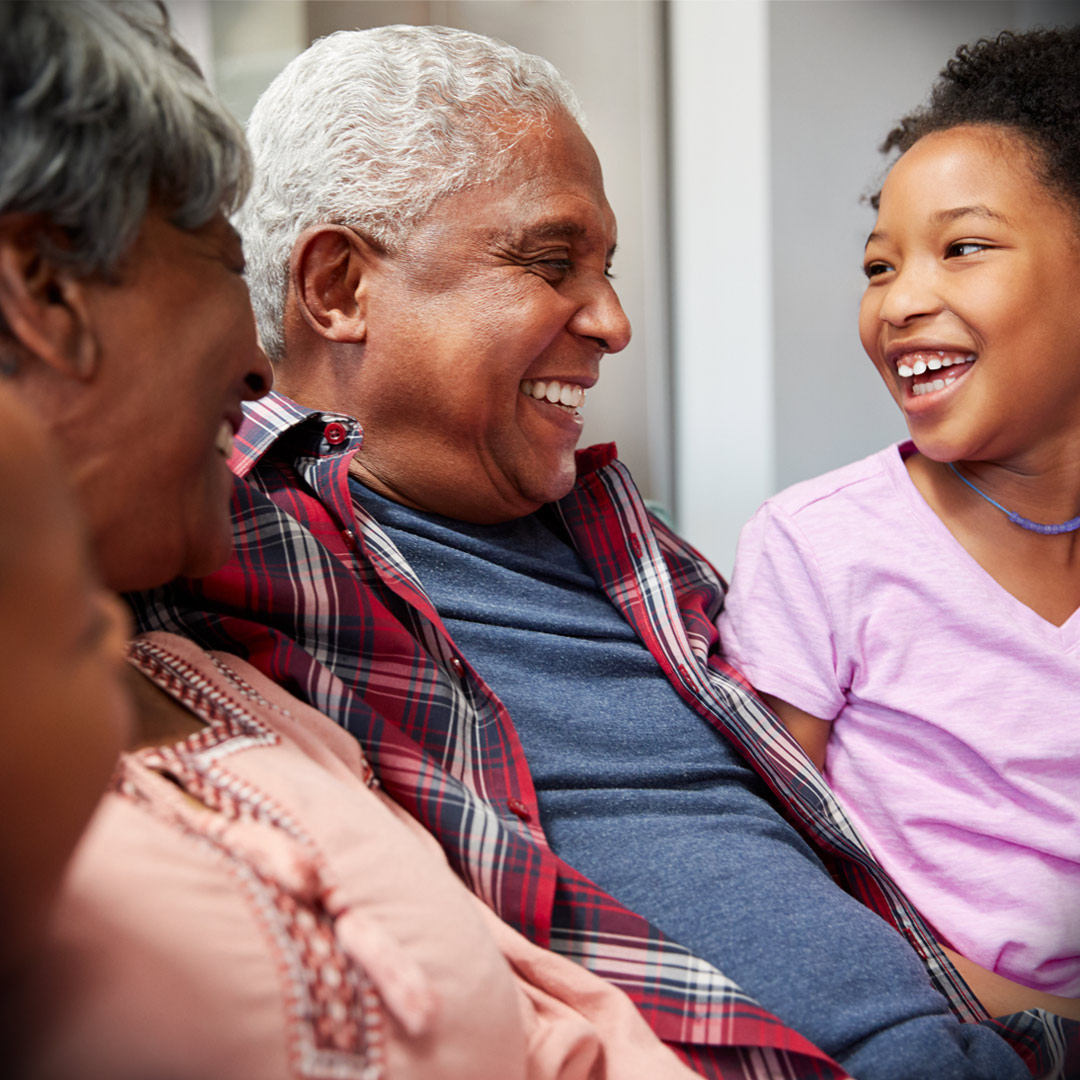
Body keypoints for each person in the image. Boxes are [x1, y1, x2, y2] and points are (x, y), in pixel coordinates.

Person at [136, 24, 1074, 1079]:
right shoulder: (225, 528)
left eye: (606, 268)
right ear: (341, 289)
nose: (615, 321)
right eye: (550, 261)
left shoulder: (636, 548)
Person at [1, 6, 702, 1079]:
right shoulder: (252, 535)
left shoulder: (227, 698)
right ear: (44, 288)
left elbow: (554, 1021)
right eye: (216, 257)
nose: (255, 362)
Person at [718, 25, 1080, 1014]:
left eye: (961, 249)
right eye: (881, 266)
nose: (902, 301)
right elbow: (776, 874)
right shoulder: (818, 545)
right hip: (929, 1027)